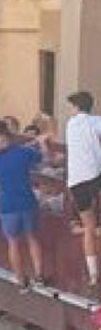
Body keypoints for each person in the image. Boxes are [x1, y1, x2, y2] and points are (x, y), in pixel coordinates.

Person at [0, 119, 50, 292]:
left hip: (7, 205)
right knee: (32, 238)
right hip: (27, 201)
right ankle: (39, 276)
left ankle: (21, 280)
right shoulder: (23, 152)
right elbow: (42, 159)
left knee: (13, 242)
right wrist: (41, 143)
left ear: (1, 137)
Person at [64, 90, 101, 294]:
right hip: (95, 176)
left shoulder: (70, 125)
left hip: (77, 181)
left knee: (88, 226)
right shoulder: (96, 122)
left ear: (77, 108)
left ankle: (93, 274)